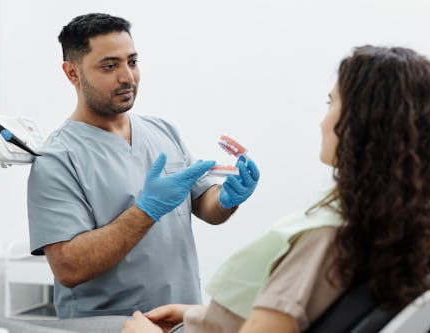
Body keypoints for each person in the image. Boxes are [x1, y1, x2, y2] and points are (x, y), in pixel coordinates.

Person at [121, 45, 430, 333]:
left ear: (360, 124)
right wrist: (200, 317)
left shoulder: (326, 237)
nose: (322, 120)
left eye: (331, 103)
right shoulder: (397, 226)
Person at [27, 13, 260, 319]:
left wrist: (228, 198)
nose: (127, 77)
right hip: (116, 327)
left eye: (132, 62)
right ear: (73, 73)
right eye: (110, 66)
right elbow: (68, 267)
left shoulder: (163, 131)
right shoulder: (57, 158)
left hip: (181, 319)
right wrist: (146, 211)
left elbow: (206, 205)